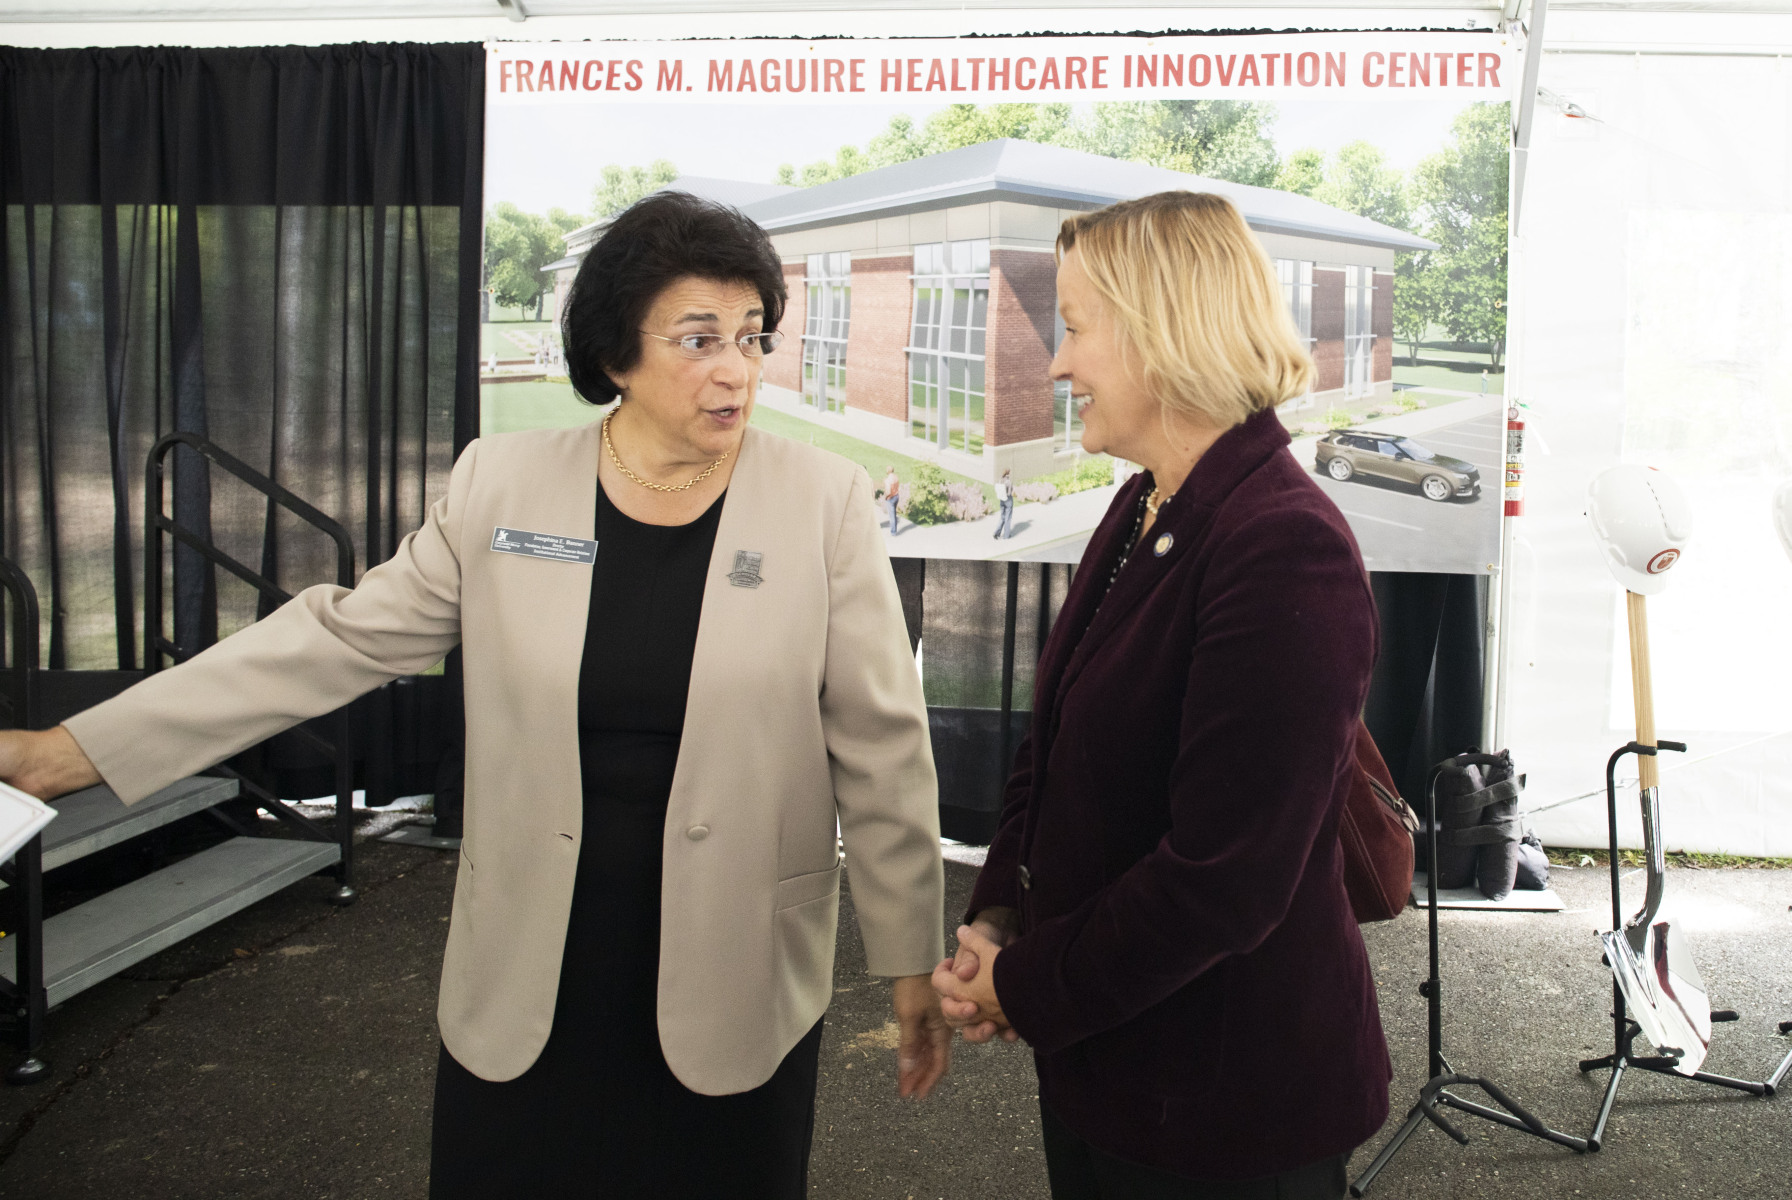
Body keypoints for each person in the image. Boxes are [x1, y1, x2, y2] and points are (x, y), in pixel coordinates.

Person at [0, 191, 950, 1200]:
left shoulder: (821, 501)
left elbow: (880, 743)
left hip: (737, 970)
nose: (736, 369)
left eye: (753, 336)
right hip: (530, 967)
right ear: (614, 354)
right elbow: (337, 639)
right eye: (699, 338)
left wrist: (911, 960)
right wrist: (73, 752)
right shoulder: (503, 484)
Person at [934, 191, 1388, 1199]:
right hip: (1114, 1068)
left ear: (1162, 332)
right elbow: (1052, 747)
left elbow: (1226, 876)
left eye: (1076, 328)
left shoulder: (1283, 545)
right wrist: (999, 915)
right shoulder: (1145, 500)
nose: (1057, 365)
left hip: (1229, 1104)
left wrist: (1024, 986)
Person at [993, 469, 1015, 539]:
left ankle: (996, 533)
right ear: (1009, 473)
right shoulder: (1008, 481)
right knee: (1008, 518)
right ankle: (1006, 535)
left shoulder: (1000, 480)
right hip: (1008, 500)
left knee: (1002, 517)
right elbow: (1009, 493)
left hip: (1001, 500)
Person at [883, 466, 902, 535]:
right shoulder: (896, 477)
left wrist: (885, 497)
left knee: (892, 516)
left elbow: (888, 492)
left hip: (890, 498)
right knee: (894, 514)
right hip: (896, 496)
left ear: (888, 471)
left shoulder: (888, 480)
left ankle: (893, 531)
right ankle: (895, 529)